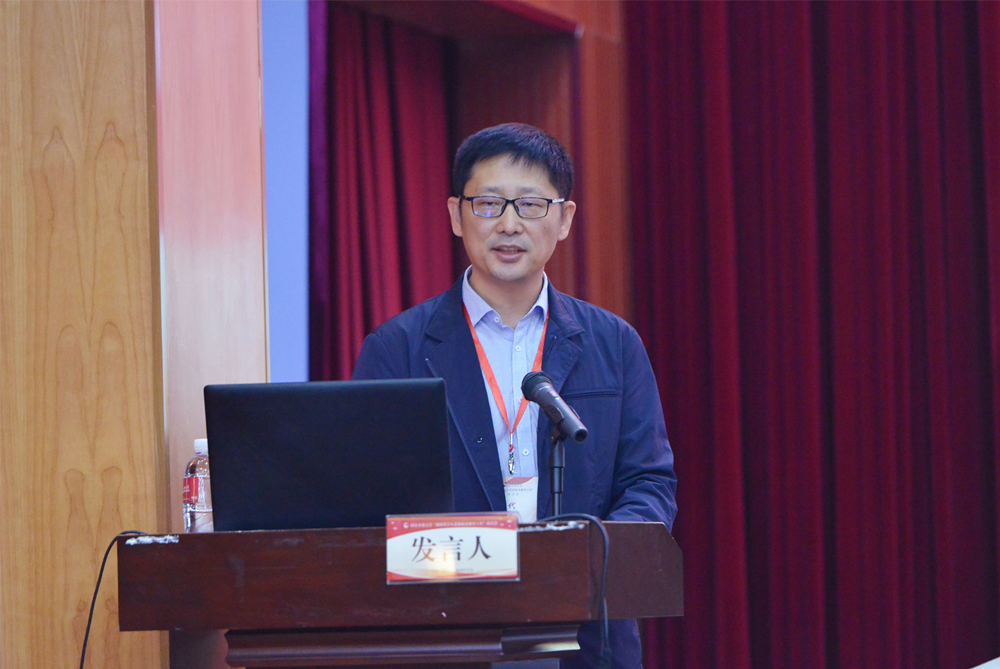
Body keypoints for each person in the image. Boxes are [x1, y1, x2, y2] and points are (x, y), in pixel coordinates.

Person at [353, 123, 677, 669]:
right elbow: (368, 498)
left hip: (585, 633)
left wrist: (588, 559)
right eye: (488, 204)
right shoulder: (396, 348)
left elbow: (649, 482)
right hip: (447, 631)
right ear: (456, 215)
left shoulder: (614, 344)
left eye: (530, 205)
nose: (508, 224)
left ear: (564, 219)